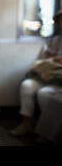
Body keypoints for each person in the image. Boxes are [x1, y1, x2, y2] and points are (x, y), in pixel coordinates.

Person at [10, 10, 62, 138]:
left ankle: (47, 131)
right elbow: (47, 57)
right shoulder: (55, 40)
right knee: (27, 85)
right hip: (48, 75)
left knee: (44, 94)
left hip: (59, 81)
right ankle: (27, 124)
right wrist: (52, 59)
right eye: (60, 20)